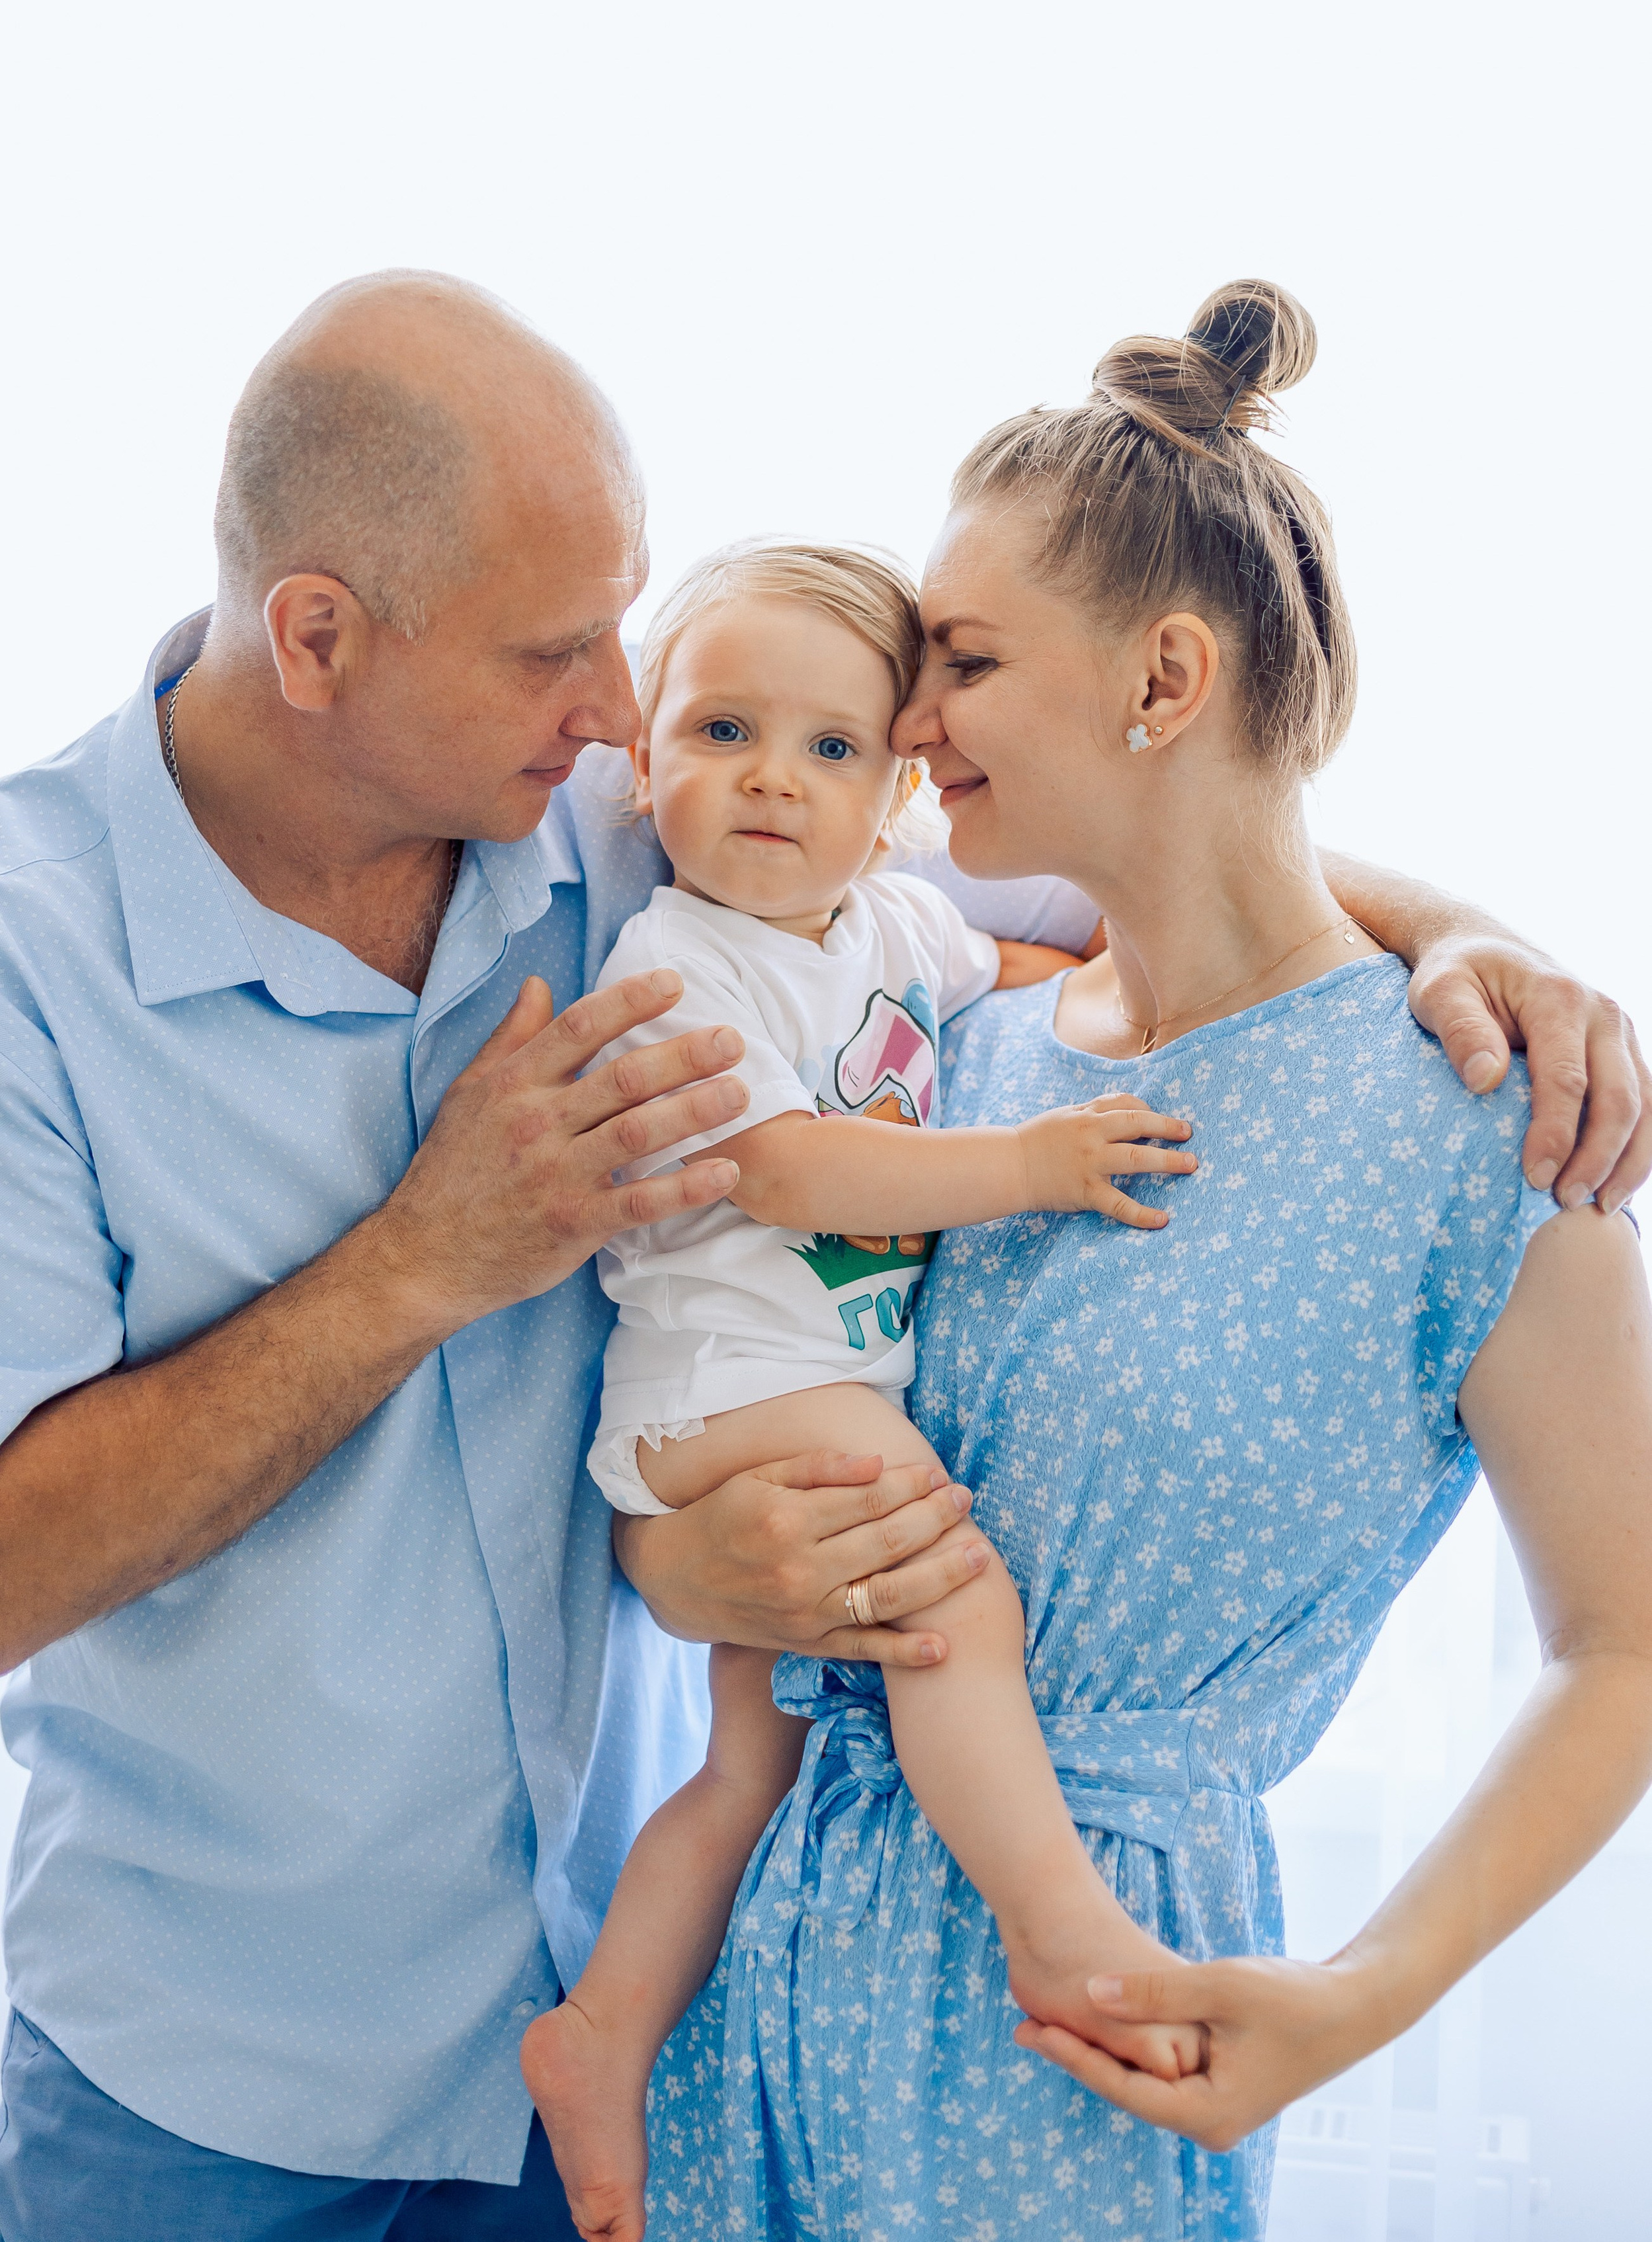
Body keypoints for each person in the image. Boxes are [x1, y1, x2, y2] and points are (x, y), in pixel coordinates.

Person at [0, 269, 1642, 2239]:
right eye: (558, 651)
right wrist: (426, 1260)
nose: (617, 704)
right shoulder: (19, 966)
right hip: (218, 2084)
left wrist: (1474, 939)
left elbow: (1132, 845)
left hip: (646, 2004)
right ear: (320, 637)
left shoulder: (642, 823)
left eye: (629, 630)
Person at [636, 280, 1652, 2241]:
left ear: (1162, 683)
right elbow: (737, 1357)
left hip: (1083, 2032)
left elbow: (1627, 1643)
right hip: (764, 1986)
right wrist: (673, 1562)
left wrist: (1360, 1999)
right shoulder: (953, 1044)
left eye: (966, 661)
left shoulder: (1484, 1124)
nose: (907, 726)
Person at [520, 540, 1205, 2241]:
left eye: (829, 749)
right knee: (945, 1594)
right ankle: (1057, 1921)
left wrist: (1154, 1006)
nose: (771, 777)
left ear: (897, 788)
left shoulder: (898, 919)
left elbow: (1046, 972)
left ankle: (601, 2035)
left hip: (796, 1381)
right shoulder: (670, 961)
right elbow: (782, 1169)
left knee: (746, 1766)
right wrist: (1031, 1162)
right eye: (721, 730)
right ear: (644, 759)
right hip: (728, 1384)